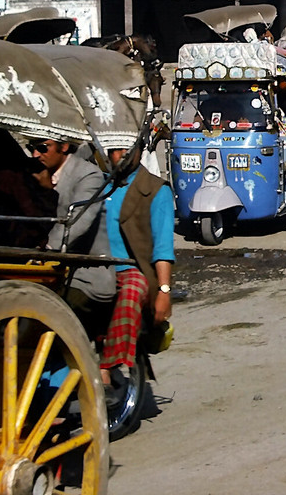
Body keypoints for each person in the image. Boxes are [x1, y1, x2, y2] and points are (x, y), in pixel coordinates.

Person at [100, 146, 174, 401]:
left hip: (133, 269)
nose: (118, 156)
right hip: (94, 267)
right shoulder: (97, 185)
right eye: (113, 150)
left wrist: (164, 290)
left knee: (132, 289)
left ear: (139, 150)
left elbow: (163, 247)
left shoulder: (156, 190)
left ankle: (107, 366)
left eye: (124, 150)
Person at [30, 138, 116, 336]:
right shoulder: (34, 172)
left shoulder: (88, 175)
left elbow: (78, 222)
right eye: (32, 148)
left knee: (38, 315)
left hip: (84, 278)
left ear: (64, 147)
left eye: (43, 148)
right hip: (44, 273)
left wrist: (46, 251)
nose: (36, 154)